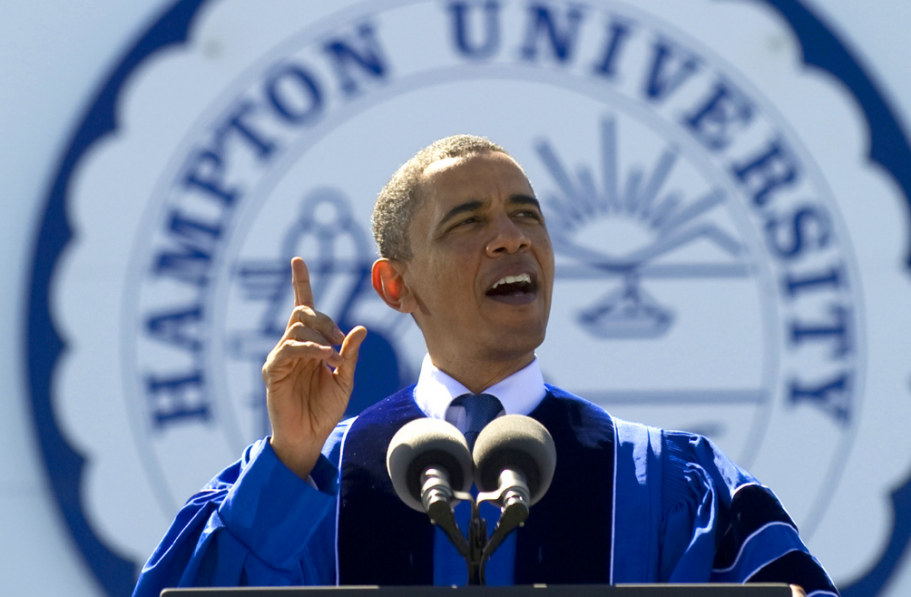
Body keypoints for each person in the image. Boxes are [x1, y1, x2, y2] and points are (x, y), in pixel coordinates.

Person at [133, 136, 838, 596]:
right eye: (468, 222)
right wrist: (288, 458)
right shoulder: (306, 484)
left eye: (527, 216)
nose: (511, 239)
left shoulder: (662, 484)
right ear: (393, 285)